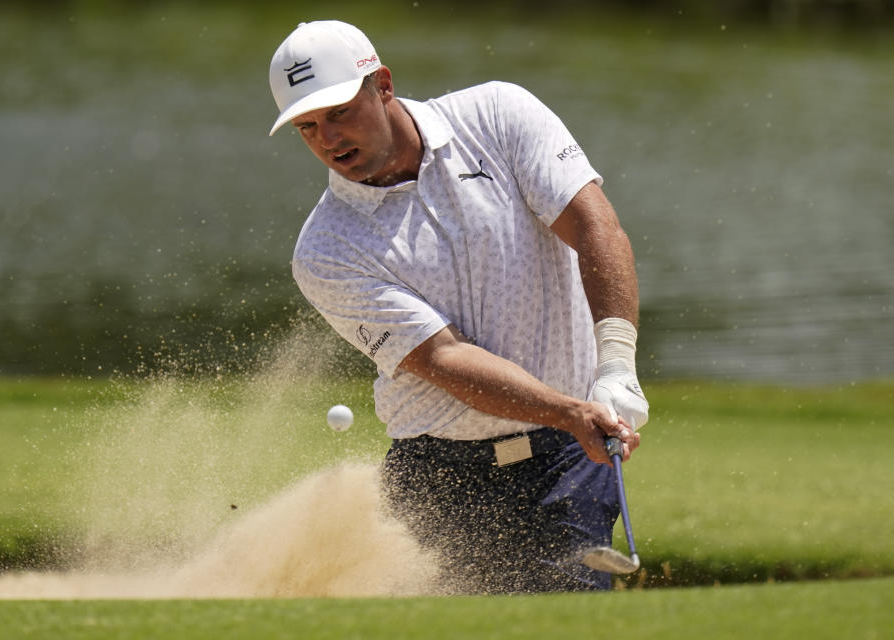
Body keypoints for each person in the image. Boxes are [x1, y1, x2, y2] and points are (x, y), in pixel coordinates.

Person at [268, 20, 648, 593]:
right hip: (441, 479)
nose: (327, 139)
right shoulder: (327, 250)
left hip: (567, 463)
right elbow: (445, 359)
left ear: (383, 84)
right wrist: (570, 409)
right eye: (307, 126)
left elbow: (596, 226)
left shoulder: (498, 115)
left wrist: (616, 363)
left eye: (339, 112)